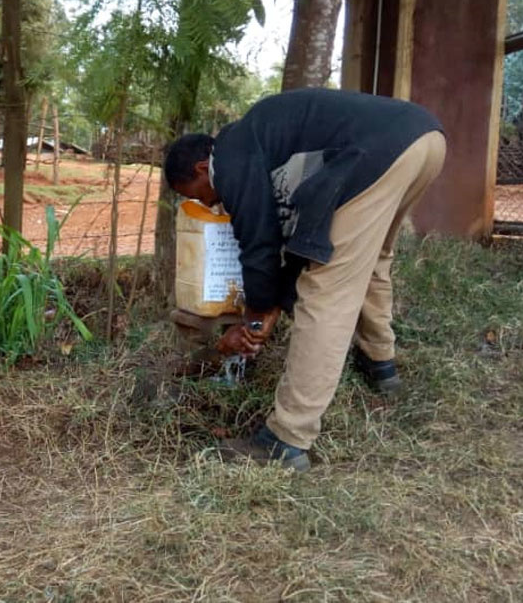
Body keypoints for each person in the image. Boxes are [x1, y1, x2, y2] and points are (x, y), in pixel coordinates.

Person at [164, 87, 446, 472]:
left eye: (200, 196)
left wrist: (257, 317)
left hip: (380, 151)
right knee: (373, 258)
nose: (213, 204)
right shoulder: (261, 142)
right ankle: (380, 364)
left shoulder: (230, 158)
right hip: (423, 139)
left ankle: (286, 439)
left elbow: (260, 242)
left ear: (201, 169)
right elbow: (300, 240)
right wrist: (270, 307)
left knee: (326, 290)